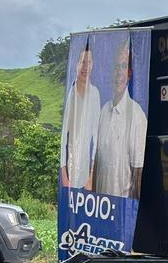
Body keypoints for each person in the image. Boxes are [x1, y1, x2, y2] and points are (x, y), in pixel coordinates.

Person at [92, 41, 148, 198]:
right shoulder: (103, 111)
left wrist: (130, 215)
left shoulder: (136, 116)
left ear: (129, 74)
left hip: (121, 210)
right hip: (101, 209)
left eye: (123, 67)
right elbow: (97, 161)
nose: (119, 73)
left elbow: (138, 173)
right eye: (116, 67)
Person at [60, 41, 101, 190]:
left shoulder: (95, 94)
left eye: (88, 62)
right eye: (82, 62)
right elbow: (65, 134)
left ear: (92, 65)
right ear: (77, 65)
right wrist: (64, 174)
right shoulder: (72, 93)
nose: (85, 66)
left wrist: (91, 175)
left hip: (86, 172)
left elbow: (96, 135)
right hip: (70, 170)